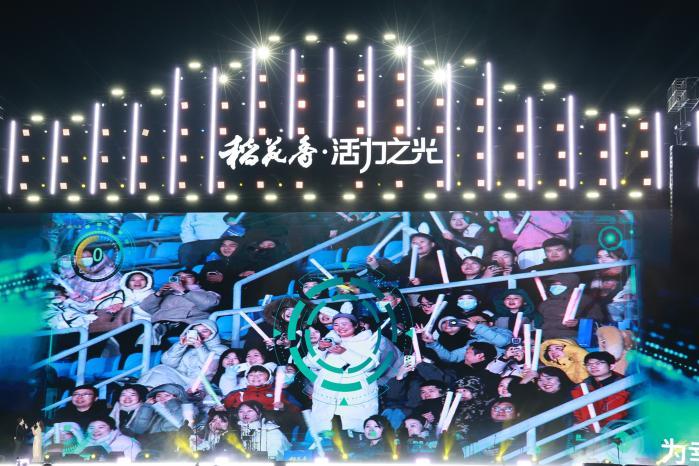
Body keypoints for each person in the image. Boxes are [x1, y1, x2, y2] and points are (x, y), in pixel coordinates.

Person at [308, 313, 379, 432]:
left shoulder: (368, 341)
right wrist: (320, 349)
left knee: (355, 431)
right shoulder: (329, 340)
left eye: (344, 324)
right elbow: (312, 364)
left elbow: (370, 365)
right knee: (326, 432)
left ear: (355, 325)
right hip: (328, 395)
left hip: (356, 395)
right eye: (336, 324)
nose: (340, 327)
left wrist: (344, 352)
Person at [138, 320, 227, 388]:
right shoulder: (186, 347)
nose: (200, 334)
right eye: (196, 332)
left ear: (213, 333)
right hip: (180, 378)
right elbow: (168, 362)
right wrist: (181, 345)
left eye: (205, 331)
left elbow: (210, 367)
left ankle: (143, 393)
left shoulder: (221, 349)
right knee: (157, 370)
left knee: (160, 371)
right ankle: (142, 391)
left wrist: (199, 346)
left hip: (198, 382)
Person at [139, 270, 220, 343]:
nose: (183, 279)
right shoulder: (166, 294)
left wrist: (183, 290)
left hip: (187, 324)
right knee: (144, 331)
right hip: (161, 323)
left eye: (188, 277)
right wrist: (159, 293)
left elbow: (208, 304)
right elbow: (145, 307)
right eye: (178, 277)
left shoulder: (207, 294)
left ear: (197, 281)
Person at [489, 211, 572, 270]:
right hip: (524, 254)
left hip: (547, 250)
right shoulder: (518, 214)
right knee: (530, 283)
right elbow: (510, 236)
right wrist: (506, 218)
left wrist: (534, 209)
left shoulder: (557, 211)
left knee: (550, 280)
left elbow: (560, 226)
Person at [367, 233, 453, 287]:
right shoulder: (407, 260)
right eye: (414, 243)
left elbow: (443, 279)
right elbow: (390, 276)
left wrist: (421, 281)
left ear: (432, 244)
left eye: (422, 241)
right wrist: (374, 265)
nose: (418, 245)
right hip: (408, 297)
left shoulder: (441, 259)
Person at [571, 351, 630, 429]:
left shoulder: (627, 385)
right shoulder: (580, 388)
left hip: (620, 428)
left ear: (611, 366)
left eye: (598, 363)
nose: (593, 367)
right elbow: (577, 412)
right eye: (589, 364)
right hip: (590, 430)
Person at [420, 312, 512, 362]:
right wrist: (433, 343)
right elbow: (451, 357)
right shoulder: (472, 342)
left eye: (478, 322)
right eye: (470, 322)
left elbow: (502, 342)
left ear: (490, 323)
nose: (473, 324)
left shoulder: (502, 331)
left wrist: (476, 327)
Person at [538, 273, 606, 339]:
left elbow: (597, 319)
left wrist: (579, 322)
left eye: (559, 284)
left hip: (572, 338)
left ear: (570, 284)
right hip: (547, 338)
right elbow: (540, 322)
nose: (555, 287)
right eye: (553, 284)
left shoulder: (583, 300)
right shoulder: (545, 303)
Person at [124, 384, 189, 448]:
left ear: (177, 397)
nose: (162, 398)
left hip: (173, 446)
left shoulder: (186, 409)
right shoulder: (152, 411)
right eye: (158, 396)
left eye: (167, 395)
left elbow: (178, 424)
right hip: (148, 446)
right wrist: (147, 407)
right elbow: (138, 429)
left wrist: (172, 403)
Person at [199, 237, 253, 309]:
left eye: (232, 245)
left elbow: (249, 287)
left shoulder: (250, 264)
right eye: (223, 245)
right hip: (209, 302)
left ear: (241, 247)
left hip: (237, 304)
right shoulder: (211, 264)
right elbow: (200, 283)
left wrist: (223, 279)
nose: (226, 248)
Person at [452, 376, 495, 442]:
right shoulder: (456, 407)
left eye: (464, 390)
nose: (460, 394)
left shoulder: (488, 404)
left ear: (474, 390)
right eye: (457, 391)